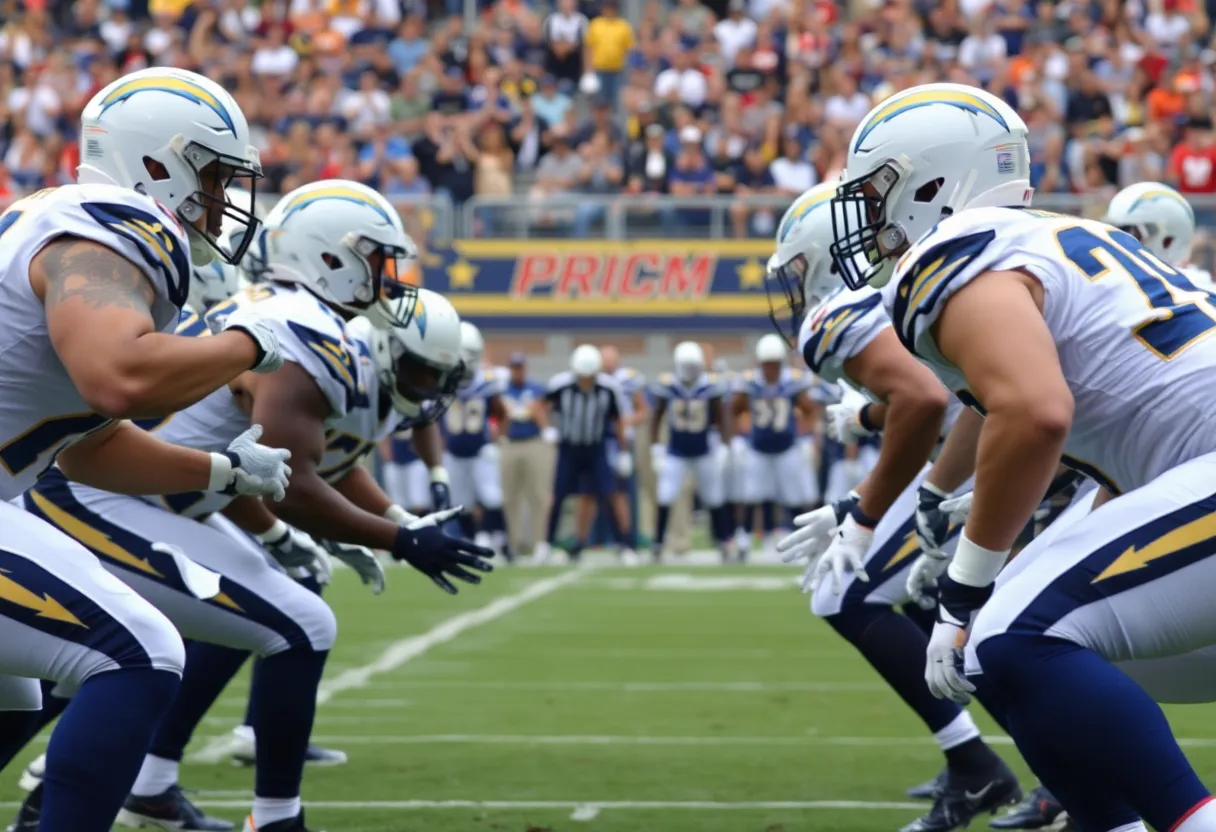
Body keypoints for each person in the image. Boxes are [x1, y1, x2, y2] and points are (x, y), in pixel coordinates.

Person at [15, 180, 490, 832]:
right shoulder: (301, 325)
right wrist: (399, 540)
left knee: (69, 673)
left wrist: (389, 523)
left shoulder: (305, 319)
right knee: (282, 627)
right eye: (380, 260)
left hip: (141, 496)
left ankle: (130, 781)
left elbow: (285, 459)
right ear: (333, 257)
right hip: (101, 496)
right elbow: (290, 476)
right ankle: (271, 818)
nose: (390, 279)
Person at [829, 81, 1216, 832]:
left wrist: (967, 587)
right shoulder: (1050, 241)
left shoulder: (955, 252)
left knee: (1007, 631)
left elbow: (1035, 412)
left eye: (879, 190)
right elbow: (1084, 433)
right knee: (1006, 654)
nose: (870, 215)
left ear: (933, 182)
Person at [0, 66, 295, 832]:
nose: (222, 199)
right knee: (137, 652)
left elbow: (86, 446)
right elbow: (120, 377)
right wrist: (246, 342)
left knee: (13, 693)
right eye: (215, 176)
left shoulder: (60, 219)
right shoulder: (114, 221)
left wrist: (222, 470)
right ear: (158, 162)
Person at [769, 182, 1021, 832]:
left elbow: (928, 402)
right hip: (1021, 443)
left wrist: (864, 509)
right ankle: (988, 761)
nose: (797, 290)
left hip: (1019, 449)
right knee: (926, 598)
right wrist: (875, 418)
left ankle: (984, 765)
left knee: (846, 593)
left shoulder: (846, 310)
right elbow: (952, 395)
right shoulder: (936, 274)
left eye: (800, 269)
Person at [535, 345, 632, 565]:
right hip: (569, 448)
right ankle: (545, 544)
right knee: (558, 496)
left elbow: (618, 422)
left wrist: (624, 451)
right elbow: (538, 406)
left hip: (596, 448)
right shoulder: (561, 385)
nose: (586, 381)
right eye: (582, 377)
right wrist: (547, 429)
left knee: (608, 494)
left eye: (590, 377)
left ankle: (623, 545)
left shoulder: (609, 388)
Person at [731, 334, 819, 558]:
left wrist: (805, 434)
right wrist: (738, 437)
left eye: (775, 364)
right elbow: (734, 410)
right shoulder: (749, 382)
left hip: (787, 446)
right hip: (757, 448)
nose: (771, 369)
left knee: (794, 497)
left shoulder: (793, 381)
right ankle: (745, 540)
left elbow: (810, 410)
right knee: (752, 495)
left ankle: (802, 543)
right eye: (767, 364)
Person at [648, 342, 733, 563]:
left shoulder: (710, 386)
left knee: (714, 497)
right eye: (686, 366)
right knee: (665, 495)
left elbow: (721, 416)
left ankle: (723, 542)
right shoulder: (668, 385)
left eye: (693, 366)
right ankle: (657, 543)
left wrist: (723, 445)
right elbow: (656, 417)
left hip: (704, 450)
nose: (690, 372)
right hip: (676, 451)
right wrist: (656, 448)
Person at [441, 322, 510, 560]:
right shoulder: (443, 380)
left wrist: (497, 438)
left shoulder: (487, 380)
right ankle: (471, 541)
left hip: (481, 448)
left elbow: (501, 413)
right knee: (462, 502)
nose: (468, 360)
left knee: (491, 496)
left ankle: (500, 541)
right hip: (454, 449)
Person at [500, 353, 553, 556]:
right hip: (511, 443)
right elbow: (498, 416)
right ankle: (514, 543)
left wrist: (541, 419)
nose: (518, 371)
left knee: (538, 495)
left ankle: (539, 542)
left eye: (520, 367)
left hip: (533, 442)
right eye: (514, 367)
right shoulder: (502, 389)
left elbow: (544, 411)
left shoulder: (536, 388)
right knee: (510, 497)